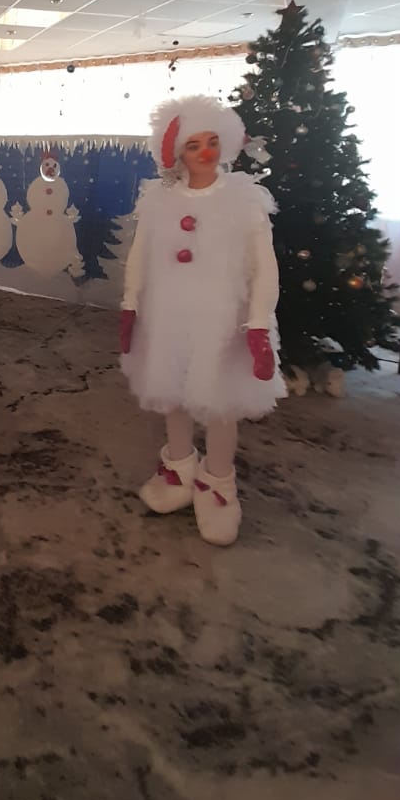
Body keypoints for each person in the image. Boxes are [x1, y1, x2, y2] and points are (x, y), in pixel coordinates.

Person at [119, 94, 284, 546]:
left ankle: (218, 481)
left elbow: (265, 266)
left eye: (212, 141)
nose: (205, 152)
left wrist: (258, 323)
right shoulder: (159, 201)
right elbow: (139, 254)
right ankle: (178, 465)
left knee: (219, 401)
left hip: (223, 321)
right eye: (193, 145)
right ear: (178, 153)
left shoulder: (244, 200)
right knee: (172, 394)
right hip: (167, 316)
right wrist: (131, 303)